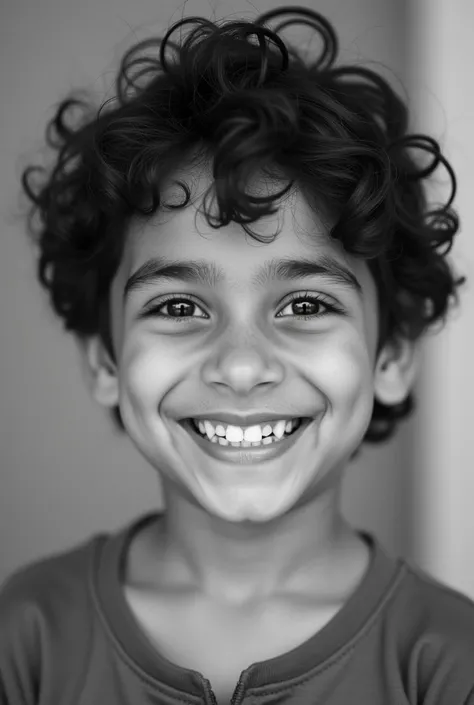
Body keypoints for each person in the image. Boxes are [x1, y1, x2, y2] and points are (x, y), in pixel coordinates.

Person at [1, 5, 473, 704]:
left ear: (391, 354)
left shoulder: (446, 660)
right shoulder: (26, 635)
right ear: (105, 357)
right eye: (178, 307)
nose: (243, 365)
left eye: (306, 306)